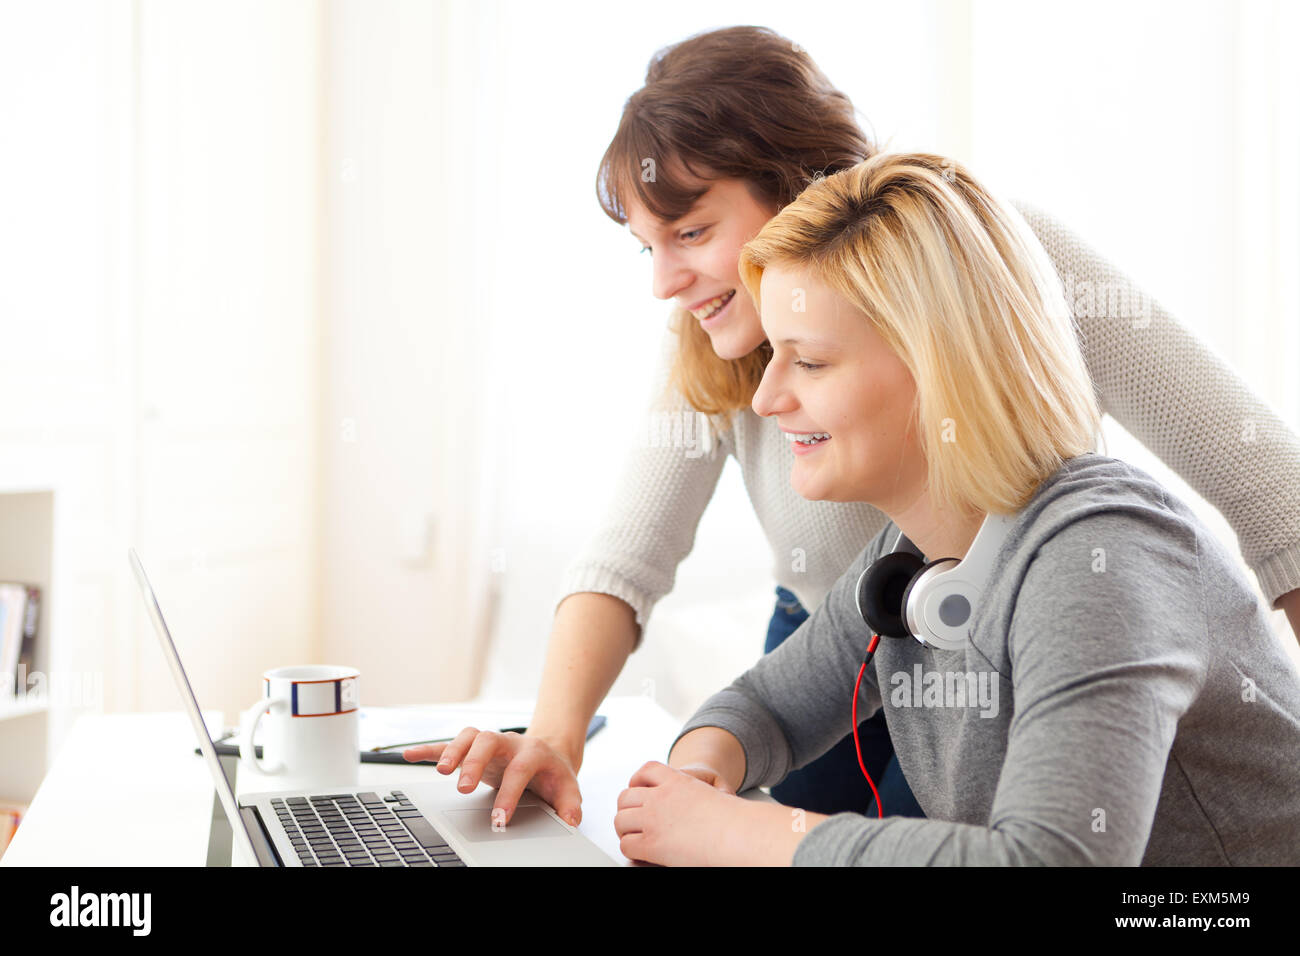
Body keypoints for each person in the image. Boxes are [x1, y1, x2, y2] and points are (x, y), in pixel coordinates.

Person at [404, 26, 1300, 832]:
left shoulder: (985, 266)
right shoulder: (717, 345)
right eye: (649, 246)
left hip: (1017, 618)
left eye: (691, 230)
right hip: (877, 613)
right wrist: (563, 741)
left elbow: (1273, 492)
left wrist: (765, 838)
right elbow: (627, 562)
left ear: (798, 188)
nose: (664, 282)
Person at [612, 152, 1300, 865]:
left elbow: (1051, 861)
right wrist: (696, 782)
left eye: (809, 362)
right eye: (774, 357)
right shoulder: (907, 558)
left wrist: (740, 833)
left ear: (939, 369)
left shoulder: (1100, 558)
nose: (766, 398)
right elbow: (765, 708)